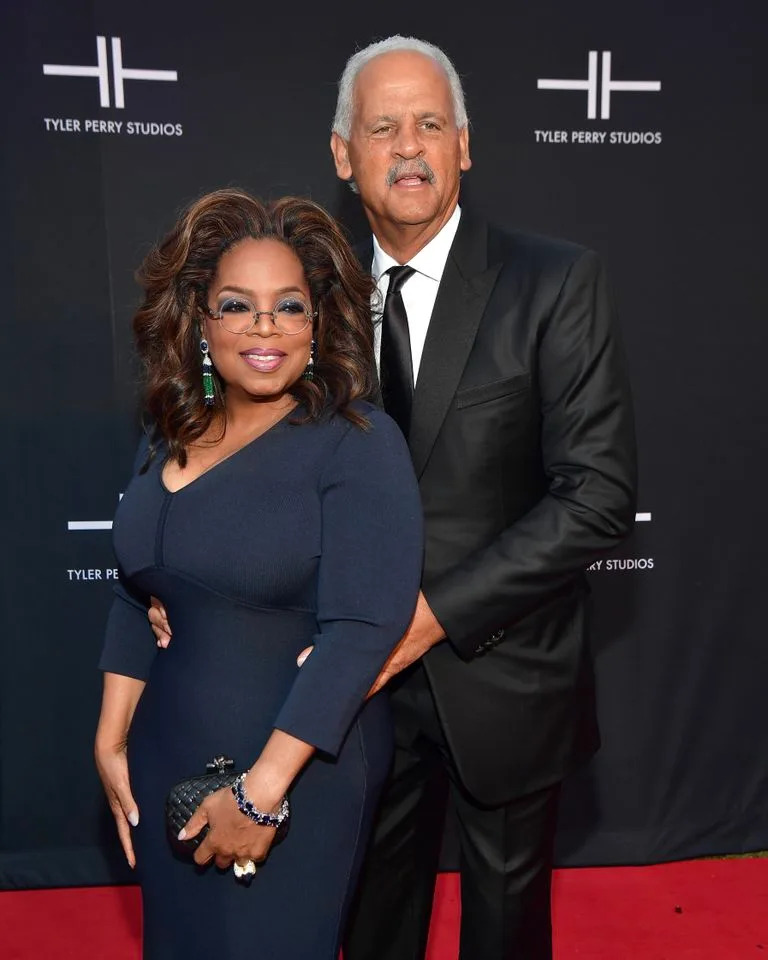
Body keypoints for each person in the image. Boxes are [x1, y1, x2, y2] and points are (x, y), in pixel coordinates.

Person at [150, 35, 638, 960]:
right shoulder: (306, 305)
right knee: (367, 928)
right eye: (382, 127)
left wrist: (426, 617)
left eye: (428, 124)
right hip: (343, 694)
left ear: (465, 144)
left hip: (504, 678)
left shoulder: (555, 281)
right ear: (344, 154)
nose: (408, 147)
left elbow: (597, 496)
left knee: (503, 934)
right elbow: (240, 456)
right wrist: (181, 588)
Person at [93, 189, 423, 960]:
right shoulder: (165, 432)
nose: (265, 325)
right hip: (166, 754)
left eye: (290, 306)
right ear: (201, 323)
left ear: (319, 322)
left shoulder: (356, 442)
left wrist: (261, 793)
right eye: (238, 305)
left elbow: (363, 629)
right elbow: (132, 592)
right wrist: (111, 740)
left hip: (295, 772)